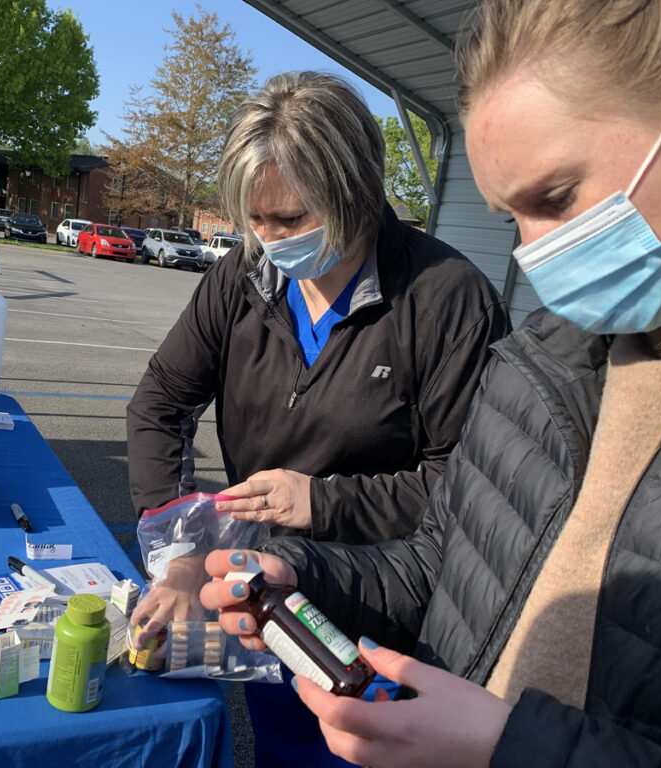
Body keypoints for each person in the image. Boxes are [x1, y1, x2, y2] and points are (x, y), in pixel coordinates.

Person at [202, 1, 661, 766]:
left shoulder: (449, 303)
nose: (533, 255)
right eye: (510, 216)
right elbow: (436, 566)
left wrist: (503, 745)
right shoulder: (539, 364)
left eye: (554, 198)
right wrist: (302, 572)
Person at [126, 71, 509, 766]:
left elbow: (472, 493)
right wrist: (178, 555)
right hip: (265, 594)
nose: (269, 239)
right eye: (254, 219)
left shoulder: (449, 301)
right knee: (278, 743)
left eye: (291, 219)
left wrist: (324, 500)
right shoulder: (241, 276)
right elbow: (159, 403)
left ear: (355, 193)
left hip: (381, 614)